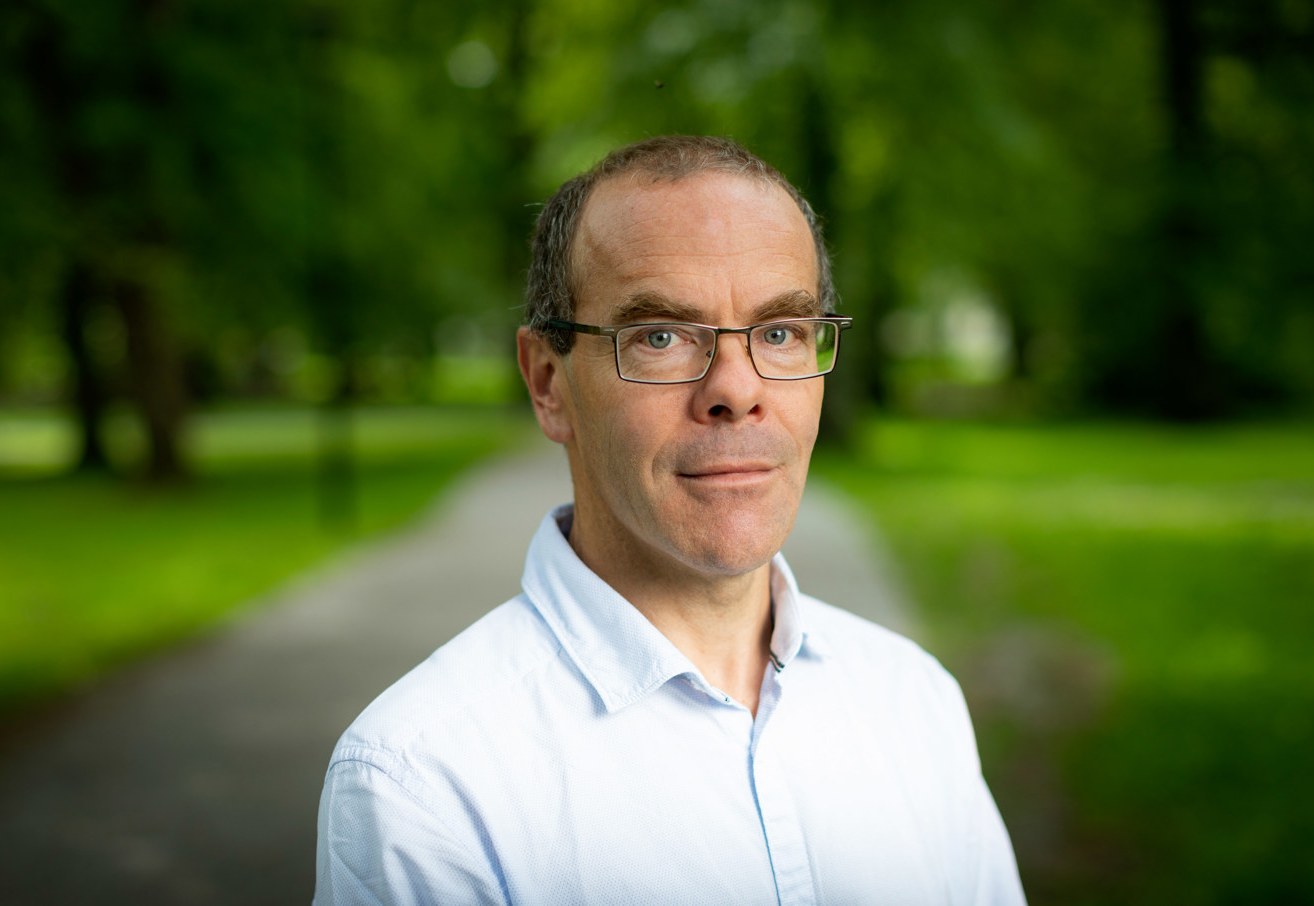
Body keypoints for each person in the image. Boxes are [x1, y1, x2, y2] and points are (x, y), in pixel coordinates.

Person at [313, 135, 1025, 905]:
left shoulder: (913, 703)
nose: (736, 390)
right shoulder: (424, 786)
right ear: (548, 383)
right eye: (660, 337)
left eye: (780, 332)